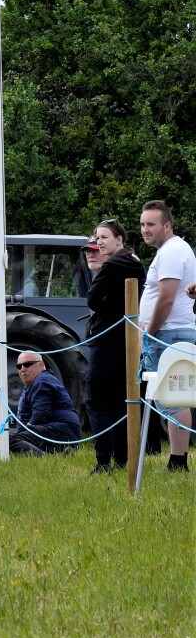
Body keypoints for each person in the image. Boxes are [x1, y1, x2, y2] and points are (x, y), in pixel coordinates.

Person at [82, 220, 145, 473]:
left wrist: (105, 305)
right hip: (126, 339)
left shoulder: (113, 264)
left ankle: (103, 461)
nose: (99, 243)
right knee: (120, 401)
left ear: (119, 239)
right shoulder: (134, 261)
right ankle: (121, 459)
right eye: (97, 238)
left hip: (107, 339)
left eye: (104, 237)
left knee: (97, 400)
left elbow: (92, 299)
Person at [138, 200, 196, 472]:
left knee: (173, 397)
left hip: (169, 334)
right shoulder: (171, 249)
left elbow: (166, 298)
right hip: (171, 332)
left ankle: (178, 461)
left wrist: (149, 333)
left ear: (167, 225)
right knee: (173, 397)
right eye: (142, 224)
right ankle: (177, 461)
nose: (145, 230)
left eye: (151, 224)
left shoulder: (172, 251)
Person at [7, 353, 81, 455]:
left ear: (41, 364)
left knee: (8, 441)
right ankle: (61, 453)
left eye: (27, 364)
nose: (22, 369)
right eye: (19, 366)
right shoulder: (34, 383)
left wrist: (21, 436)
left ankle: (50, 459)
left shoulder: (42, 380)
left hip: (62, 432)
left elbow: (41, 415)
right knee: (10, 442)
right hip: (57, 432)